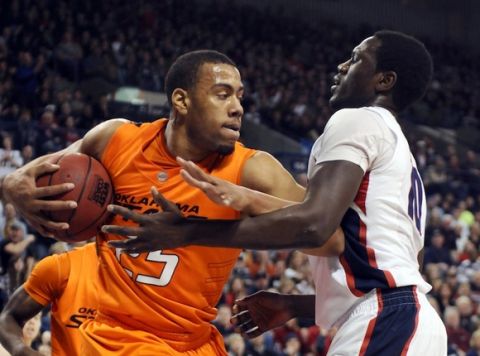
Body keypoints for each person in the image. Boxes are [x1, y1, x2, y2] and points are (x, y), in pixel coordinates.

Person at [101, 31, 448, 355]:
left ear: (384, 81)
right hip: (405, 319)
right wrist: (293, 305)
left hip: (389, 320)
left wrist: (188, 231)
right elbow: (390, 270)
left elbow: (315, 226)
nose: (342, 66)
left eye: (356, 59)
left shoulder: (358, 120)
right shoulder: (400, 154)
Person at [0, 50, 343, 354]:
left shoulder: (253, 169)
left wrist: (243, 200)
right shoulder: (115, 138)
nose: (238, 107)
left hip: (189, 341)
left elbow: (330, 238)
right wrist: (12, 183)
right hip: (112, 335)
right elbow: (32, 173)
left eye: (239, 97)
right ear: (181, 100)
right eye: (222, 95)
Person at [0, 242, 98, 355]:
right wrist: (20, 349)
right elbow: (8, 316)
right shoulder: (62, 267)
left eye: (36, 319)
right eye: (32, 318)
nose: (32, 323)